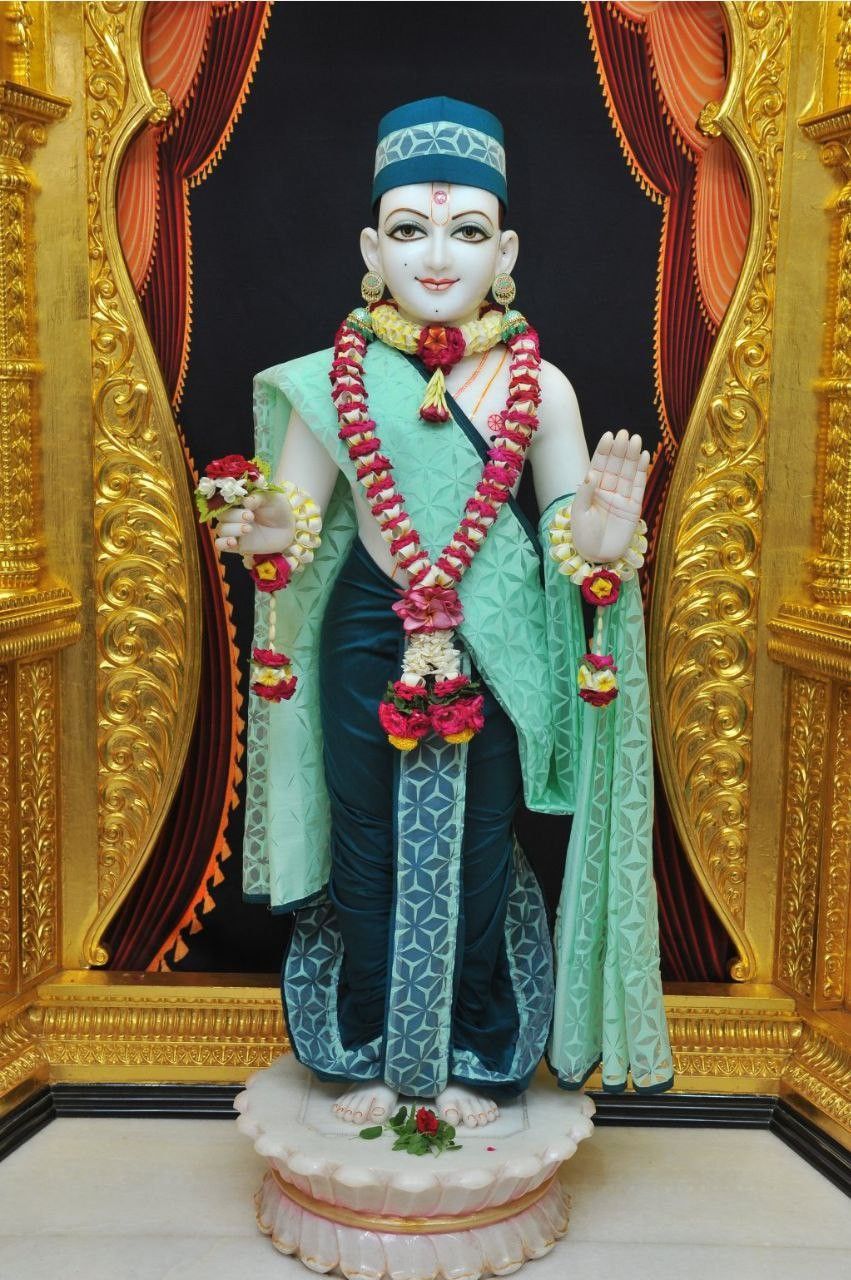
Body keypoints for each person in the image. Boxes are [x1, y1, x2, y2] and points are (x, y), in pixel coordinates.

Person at [213, 98, 673, 1129]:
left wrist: (600, 544)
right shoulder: (330, 376)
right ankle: (373, 1047)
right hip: (367, 630)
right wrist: (261, 530)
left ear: (503, 250)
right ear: (371, 248)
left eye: (465, 232)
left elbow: (566, 533)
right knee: (369, 843)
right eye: (411, 232)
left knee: (477, 845)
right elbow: (295, 517)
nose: (436, 257)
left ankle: (471, 1046)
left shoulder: (535, 386)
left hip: (492, 636)